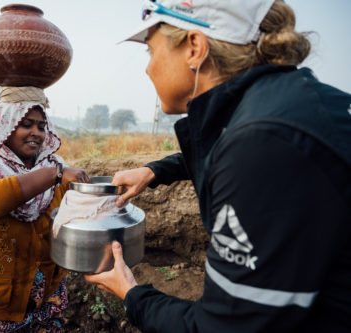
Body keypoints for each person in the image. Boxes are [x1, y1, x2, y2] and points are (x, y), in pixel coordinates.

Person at [85, 0, 351, 332]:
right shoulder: (285, 106)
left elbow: (227, 326)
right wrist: (155, 171)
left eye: (150, 51)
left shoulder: (262, 143)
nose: (148, 68)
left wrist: (132, 294)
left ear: (194, 48)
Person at [0, 87, 90, 332]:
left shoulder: (56, 169)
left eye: (41, 126)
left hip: (48, 303)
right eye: (26, 124)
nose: (35, 133)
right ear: (5, 126)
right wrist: (52, 176)